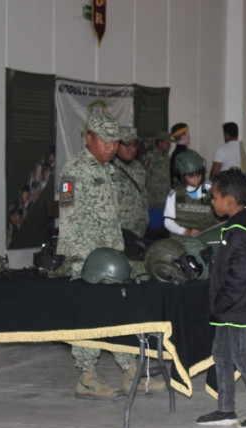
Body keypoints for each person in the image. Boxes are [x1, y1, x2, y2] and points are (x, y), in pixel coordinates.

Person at [57, 108, 164, 400]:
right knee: (90, 319)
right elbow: (68, 221)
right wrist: (89, 260)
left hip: (112, 259)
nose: (112, 147)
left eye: (115, 142)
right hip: (87, 263)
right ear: (89, 138)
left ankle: (131, 373)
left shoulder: (110, 169)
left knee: (119, 316)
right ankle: (87, 378)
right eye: (105, 141)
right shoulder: (73, 172)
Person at [195, 168, 246, 428]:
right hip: (229, 308)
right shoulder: (245, 219)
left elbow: (240, 277)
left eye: (214, 197)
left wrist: (220, 304)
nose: (212, 202)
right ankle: (225, 409)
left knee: (242, 357)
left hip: (237, 308)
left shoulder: (239, 232)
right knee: (221, 354)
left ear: (229, 201)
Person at [164, 150, 219, 237]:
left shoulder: (210, 189)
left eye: (199, 174)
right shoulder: (175, 194)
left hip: (207, 238)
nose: (196, 179)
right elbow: (168, 222)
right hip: (182, 239)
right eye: (191, 176)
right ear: (181, 176)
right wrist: (185, 232)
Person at [111, 126, 150, 239]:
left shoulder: (138, 167)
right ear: (116, 144)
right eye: (127, 144)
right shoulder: (108, 168)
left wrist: (145, 219)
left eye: (135, 144)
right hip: (118, 233)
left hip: (139, 231)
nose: (132, 149)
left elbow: (143, 196)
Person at [143, 131, 173, 208]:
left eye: (170, 143)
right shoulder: (151, 157)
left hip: (165, 197)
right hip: (154, 198)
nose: (170, 146)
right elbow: (145, 176)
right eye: (167, 143)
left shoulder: (167, 157)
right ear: (160, 143)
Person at [169, 122, 192, 188]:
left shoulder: (175, 153)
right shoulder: (185, 154)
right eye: (188, 134)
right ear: (183, 136)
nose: (189, 136)